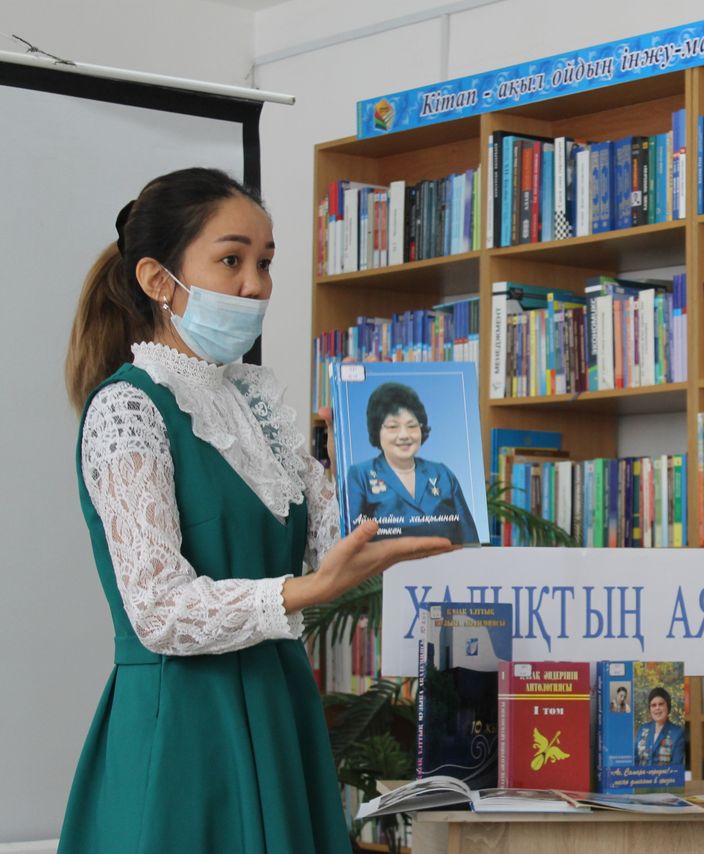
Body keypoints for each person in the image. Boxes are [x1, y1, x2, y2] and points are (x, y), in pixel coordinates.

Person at [60, 167, 457, 853]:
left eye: (265, 263)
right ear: (158, 280)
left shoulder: (258, 407)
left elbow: (334, 548)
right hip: (184, 726)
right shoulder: (127, 408)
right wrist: (309, 590)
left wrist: (369, 472)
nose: (255, 285)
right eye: (231, 260)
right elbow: (157, 609)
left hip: (277, 707)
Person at [344, 381, 480, 543]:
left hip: (448, 559)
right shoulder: (360, 476)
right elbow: (350, 543)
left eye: (412, 426)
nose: (404, 435)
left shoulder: (442, 473)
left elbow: (470, 539)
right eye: (393, 427)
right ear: (377, 430)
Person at [634, 686, 685, 766]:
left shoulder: (677, 733)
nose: (657, 708)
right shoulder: (642, 729)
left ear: (668, 706)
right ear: (650, 709)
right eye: (653, 705)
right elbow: (634, 760)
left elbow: (676, 767)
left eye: (661, 704)